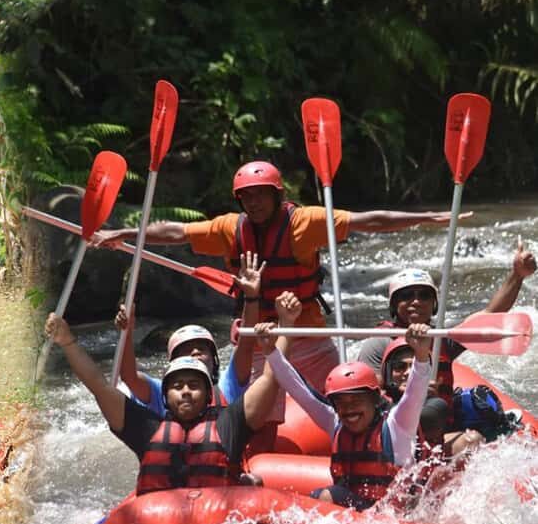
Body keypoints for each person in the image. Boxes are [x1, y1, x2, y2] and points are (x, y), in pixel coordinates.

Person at [90, 159, 464, 426]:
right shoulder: (228, 229)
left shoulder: (305, 222)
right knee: (259, 416)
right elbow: (175, 233)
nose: (253, 203)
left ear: (276, 194)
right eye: (246, 197)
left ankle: (372, 448)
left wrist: (428, 218)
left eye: (260, 195)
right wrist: (126, 234)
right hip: (260, 337)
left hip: (309, 333)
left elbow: (370, 221)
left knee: (348, 396)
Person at [44, 309, 293, 493]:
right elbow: (98, 386)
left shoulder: (229, 425)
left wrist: (286, 323)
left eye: (194, 385)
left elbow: (272, 379)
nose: (185, 391)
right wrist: (67, 342)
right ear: (165, 395)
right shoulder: (147, 429)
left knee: (253, 483)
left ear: (209, 394)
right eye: (177, 386)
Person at [258, 292, 433, 511]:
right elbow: (298, 388)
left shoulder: (397, 424)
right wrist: (270, 351)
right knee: (316, 497)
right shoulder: (335, 421)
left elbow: (415, 393)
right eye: (341, 402)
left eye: (356, 400)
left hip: (394, 518)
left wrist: (422, 355)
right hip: (358, 513)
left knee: (327, 496)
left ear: (374, 400)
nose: (348, 409)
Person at [357, 243, 536, 401]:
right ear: (394, 305)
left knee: (472, 437)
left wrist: (517, 275)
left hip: (438, 422)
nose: (416, 301)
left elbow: (491, 314)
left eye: (424, 295)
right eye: (406, 296)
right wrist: (412, 397)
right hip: (395, 424)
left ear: (434, 304)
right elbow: (369, 397)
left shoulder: (443, 339)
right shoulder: (378, 343)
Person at [115, 252, 264, 416]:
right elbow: (129, 376)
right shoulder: (161, 392)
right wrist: (126, 332)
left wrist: (251, 298)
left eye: (201, 348)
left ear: (214, 361)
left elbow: (246, 346)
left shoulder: (228, 385)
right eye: (185, 350)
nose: (195, 352)